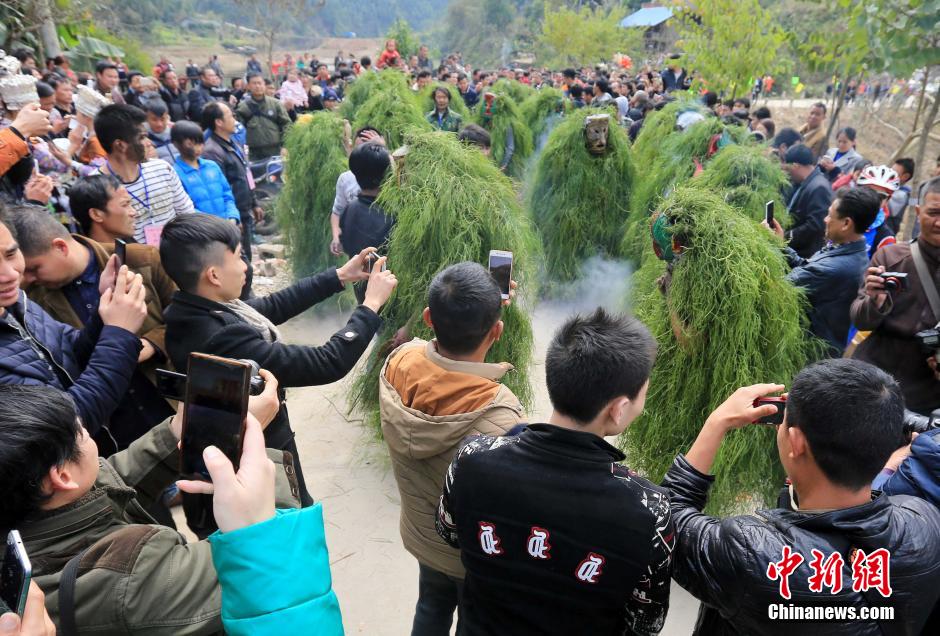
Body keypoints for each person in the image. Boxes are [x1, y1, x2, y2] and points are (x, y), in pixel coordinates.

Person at [0, 378, 330, 633]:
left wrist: (179, 431)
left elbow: (113, 476)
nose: (88, 434)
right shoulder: (131, 575)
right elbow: (269, 572)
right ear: (61, 476)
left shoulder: (32, 518)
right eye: (80, 431)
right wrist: (257, 447)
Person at [437, 308, 673, 635]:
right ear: (618, 410)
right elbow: (646, 623)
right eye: (642, 395)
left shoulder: (471, 458)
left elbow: (449, 531)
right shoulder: (650, 510)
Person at [662, 358, 940, 635]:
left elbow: (667, 521)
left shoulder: (751, 553)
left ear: (795, 442)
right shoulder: (924, 522)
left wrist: (717, 422)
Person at [160, 213, 398, 507]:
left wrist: (341, 276)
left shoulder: (195, 308)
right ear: (214, 275)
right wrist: (371, 305)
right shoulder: (219, 338)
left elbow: (272, 306)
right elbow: (326, 362)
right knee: (295, 522)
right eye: (238, 258)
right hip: (256, 464)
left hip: (239, 455)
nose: (246, 266)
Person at [380, 262, 525, 635]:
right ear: (498, 331)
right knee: (472, 621)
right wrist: (486, 312)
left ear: (429, 317)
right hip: (470, 556)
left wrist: (475, 304)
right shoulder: (499, 414)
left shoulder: (398, 362)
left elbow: (425, 349)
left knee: (430, 604)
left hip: (421, 534)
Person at [0, 212, 146, 434]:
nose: (10, 274)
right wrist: (119, 332)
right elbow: (68, 424)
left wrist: (104, 310)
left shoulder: (18, 301)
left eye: (11, 254)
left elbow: (69, 350)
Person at [851, 176, 940, 416]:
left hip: (925, 398)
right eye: (934, 212)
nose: (939, 222)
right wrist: (875, 302)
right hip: (869, 378)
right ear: (919, 212)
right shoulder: (890, 258)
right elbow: (860, 320)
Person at [766, 187, 880, 355]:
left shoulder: (834, 268)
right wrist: (780, 244)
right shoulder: (853, 250)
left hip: (807, 353)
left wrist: (767, 247)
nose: (825, 219)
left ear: (846, 223)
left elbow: (778, 287)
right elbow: (805, 267)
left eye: (830, 215)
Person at [94, 104, 195, 244]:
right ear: (120, 145)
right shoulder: (96, 187)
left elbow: (187, 212)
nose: (149, 143)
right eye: (142, 137)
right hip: (133, 263)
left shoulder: (162, 169)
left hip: (176, 256)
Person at [202, 101, 264, 269]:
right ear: (219, 122)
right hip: (232, 217)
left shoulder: (233, 143)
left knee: (246, 257)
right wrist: (233, 217)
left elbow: (246, 173)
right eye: (230, 115)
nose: (235, 119)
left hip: (243, 210)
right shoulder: (212, 152)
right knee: (236, 262)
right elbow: (219, 189)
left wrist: (255, 202)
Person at [338, 142, 395, 303]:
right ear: (386, 175)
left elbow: (345, 245)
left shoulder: (350, 209)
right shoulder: (392, 212)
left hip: (361, 289)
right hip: (386, 292)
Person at [171, 120, 240, 222]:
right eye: (190, 144)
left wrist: (233, 217)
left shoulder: (212, 166)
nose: (198, 148)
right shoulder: (174, 174)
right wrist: (213, 225)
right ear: (176, 144)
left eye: (200, 143)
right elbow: (185, 208)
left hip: (226, 226)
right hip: (202, 230)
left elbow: (227, 194)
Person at [330, 127, 384, 256]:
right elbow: (337, 212)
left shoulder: (389, 177)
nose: (364, 156)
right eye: (360, 149)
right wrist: (336, 237)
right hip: (357, 254)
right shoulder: (345, 179)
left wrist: (382, 147)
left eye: (370, 148)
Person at [783, 144, 833, 258]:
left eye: (787, 169)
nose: (787, 173)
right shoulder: (805, 183)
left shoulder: (819, 187)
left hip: (804, 254)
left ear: (795, 166)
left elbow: (815, 226)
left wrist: (786, 237)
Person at [67, 174, 136, 244]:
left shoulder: (128, 244)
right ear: (96, 214)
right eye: (124, 205)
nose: (134, 212)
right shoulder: (88, 254)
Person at [237, 73, 291, 161]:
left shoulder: (275, 104)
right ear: (248, 86)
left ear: (264, 85)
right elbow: (239, 131)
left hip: (275, 150)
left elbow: (287, 125)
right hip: (253, 153)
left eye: (260, 83)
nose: (257, 86)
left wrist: (285, 146)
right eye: (254, 83)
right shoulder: (243, 107)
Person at [143, 99, 178, 164]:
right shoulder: (142, 140)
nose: (159, 124)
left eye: (162, 119)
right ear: (146, 118)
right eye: (154, 120)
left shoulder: (177, 131)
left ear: (167, 116)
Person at [886, 157, 915, 235]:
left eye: (894, 173)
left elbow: (915, 206)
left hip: (888, 231)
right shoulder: (890, 187)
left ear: (905, 176)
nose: (889, 174)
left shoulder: (903, 194)